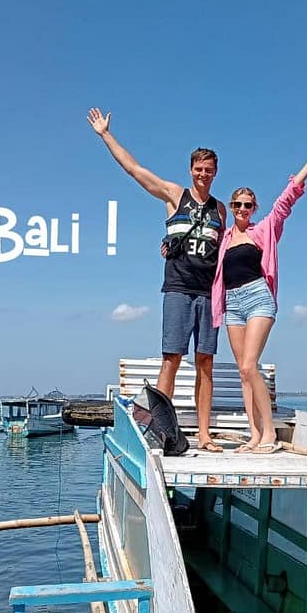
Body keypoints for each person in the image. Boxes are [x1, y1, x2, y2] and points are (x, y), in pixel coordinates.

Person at [88, 108, 227, 452]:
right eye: (199, 169)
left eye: (209, 170)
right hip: (178, 288)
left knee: (205, 362)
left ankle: (204, 434)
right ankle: (162, 430)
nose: (203, 175)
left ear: (215, 172)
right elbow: (135, 171)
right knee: (172, 358)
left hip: (209, 294)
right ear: (191, 170)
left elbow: (232, 249)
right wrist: (106, 134)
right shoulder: (173, 195)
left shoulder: (221, 210)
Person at [211, 136, 307, 453]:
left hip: (257, 298)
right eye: (237, 204)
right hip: (232, 304)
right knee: (243, 373)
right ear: (231, 207)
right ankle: (254, 435)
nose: (241, 209)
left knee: (251, 367)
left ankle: (269, 436)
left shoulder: (263, 229)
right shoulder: (223, 238)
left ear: (254, 209)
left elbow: (287, 200)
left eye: (247, 204)